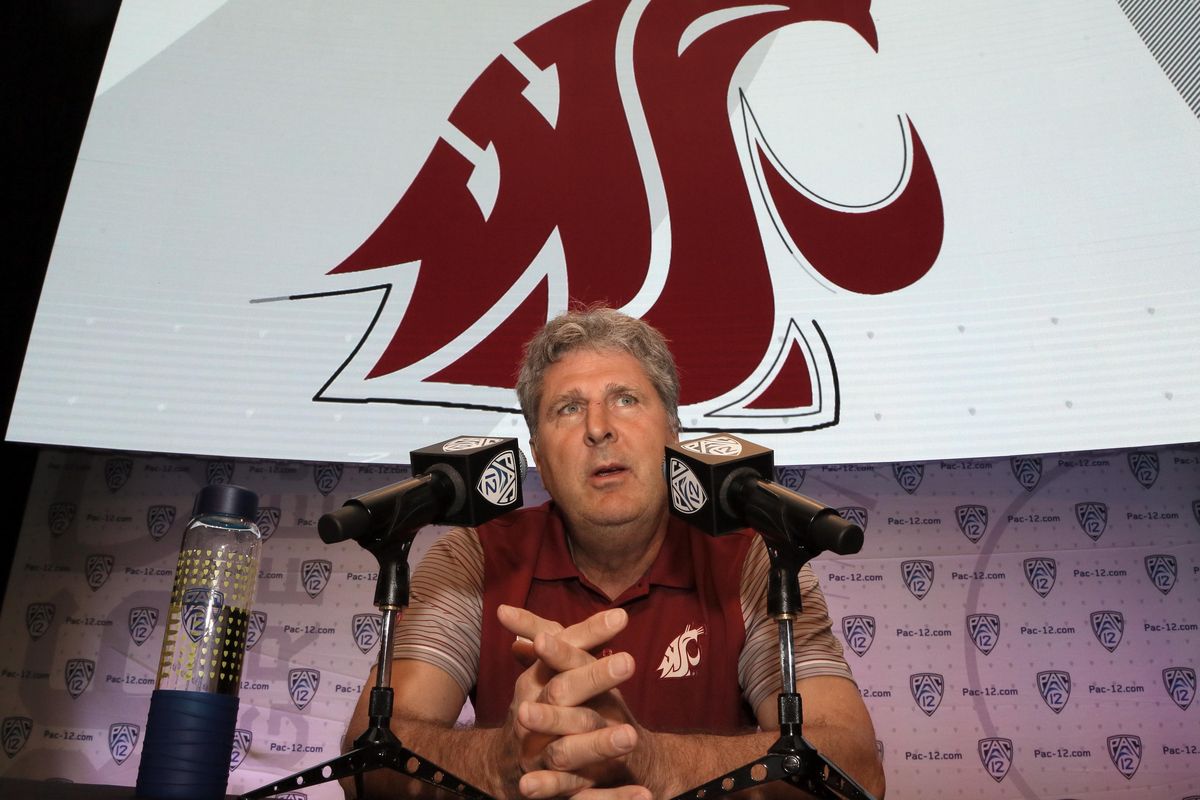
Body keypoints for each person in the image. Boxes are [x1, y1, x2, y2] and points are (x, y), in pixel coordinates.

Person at [344, 307, 885, 798]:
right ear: (538, 456)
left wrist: (650, 760)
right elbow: (366, 769)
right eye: (567, 408)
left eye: (625, 400)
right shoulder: (474, 557)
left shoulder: (750, 561)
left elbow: (856, 769)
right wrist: (500, 760)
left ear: (673, 433)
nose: (599, 428)